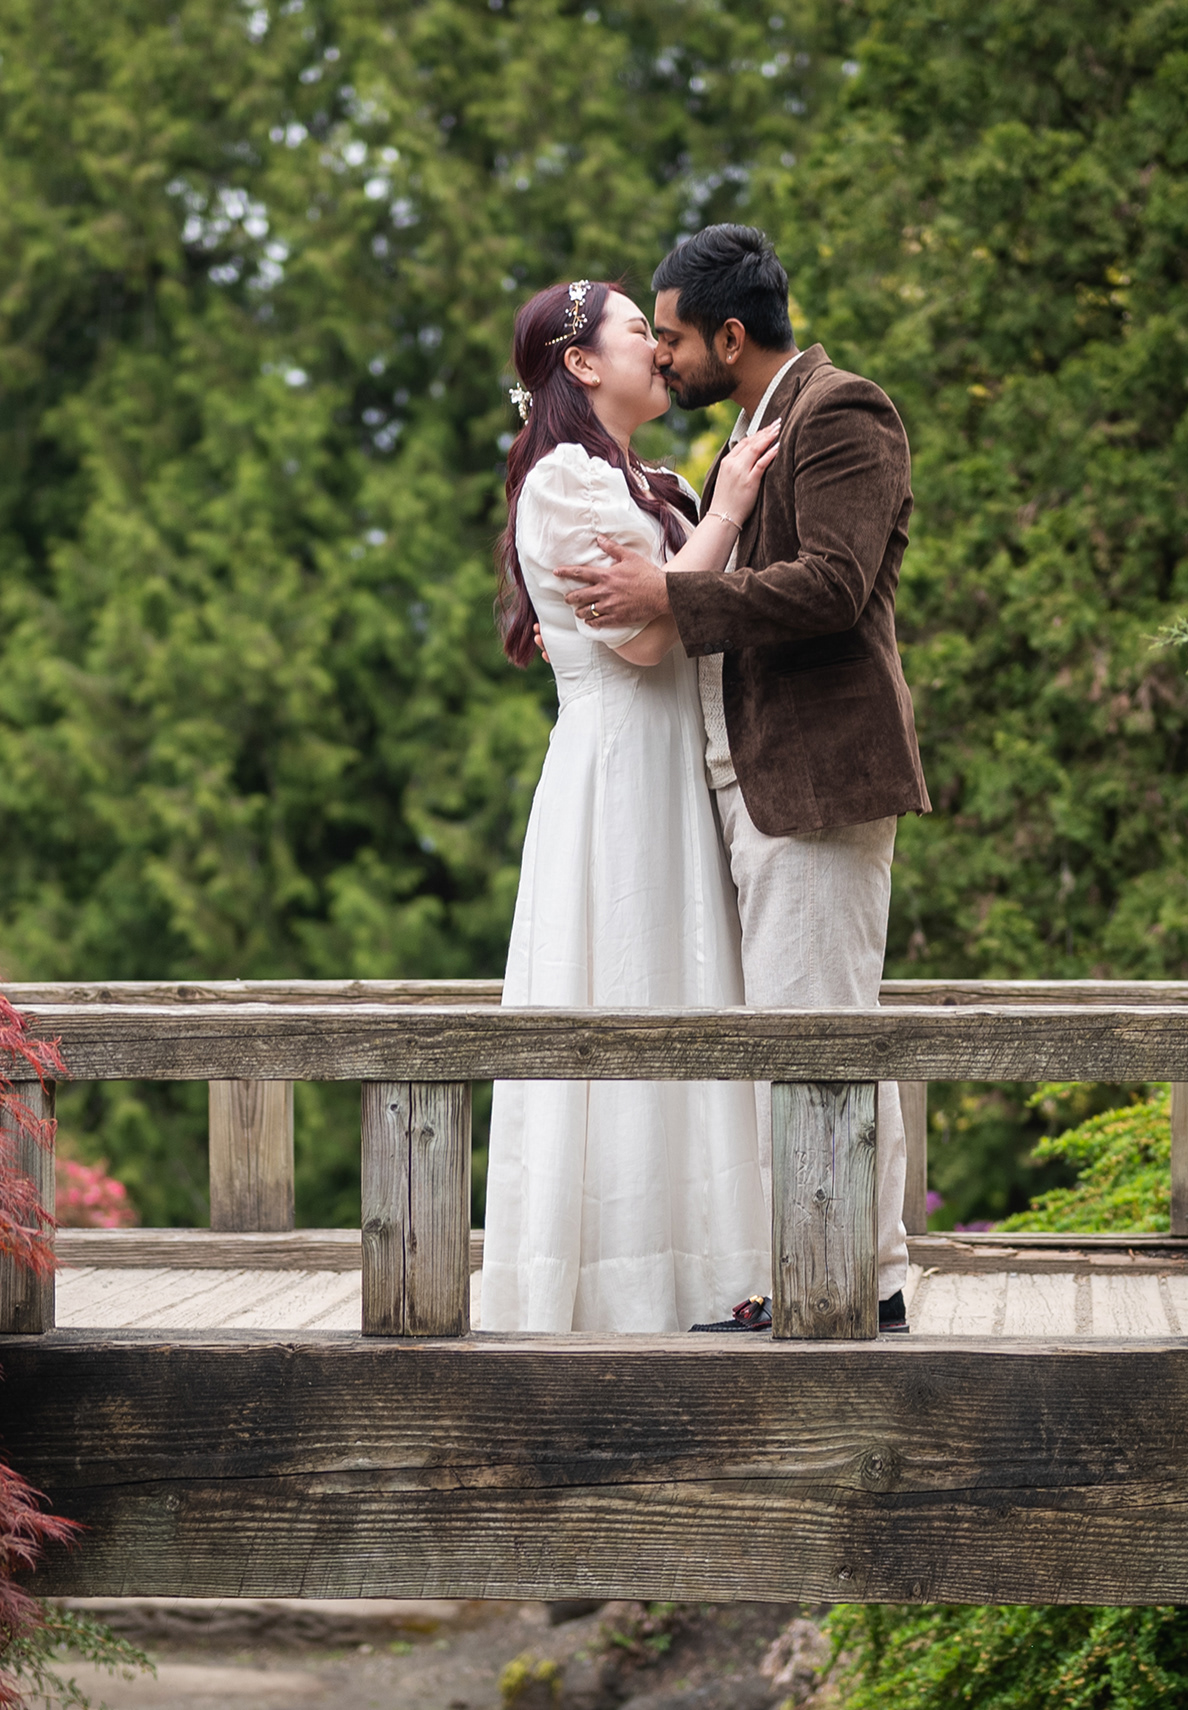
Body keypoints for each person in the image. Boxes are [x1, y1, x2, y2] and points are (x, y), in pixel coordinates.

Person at [555, 224, 928, 1333]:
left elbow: (831, 585)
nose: (661, 358)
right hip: (758, 780)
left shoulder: (843, 411)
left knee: (821, 1032)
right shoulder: (755, 432)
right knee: (802, 1024)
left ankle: (856, 1285)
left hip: (817, 777)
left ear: (728, 333)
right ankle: (842, 1270)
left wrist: (673, 600)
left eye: (669, 337)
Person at [473, 278, 792, 1334]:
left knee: (692, 997)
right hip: (617, 776)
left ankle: (709, 1274)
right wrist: (734, 507)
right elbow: (649, 635)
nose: (661, 351)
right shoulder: (565, 482)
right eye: (636, 334)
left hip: (674, 764)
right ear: (579, 365)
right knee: (625, 986)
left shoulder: (639, 478)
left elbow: (676, 597)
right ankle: (620, 1283)